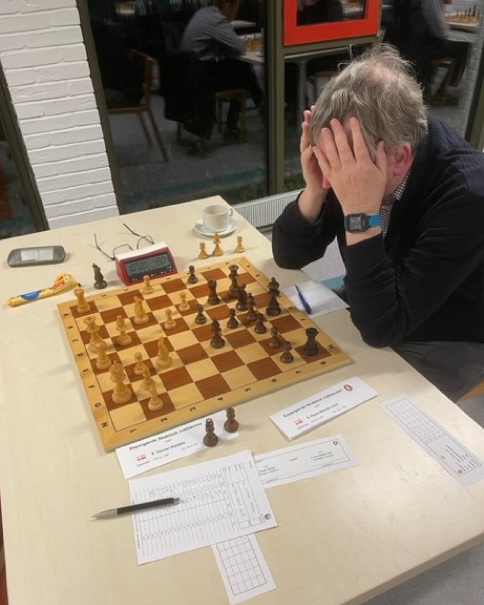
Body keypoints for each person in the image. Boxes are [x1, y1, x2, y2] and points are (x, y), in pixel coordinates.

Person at [271, 44, 484, 402]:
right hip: (379, 297)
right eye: (327, 159)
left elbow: (383, 327)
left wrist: (358, 210)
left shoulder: (469, 195)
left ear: (399, 158)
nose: (335, 174)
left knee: (346, 406)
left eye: (340, 164)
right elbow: (288, 256)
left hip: (449, 330)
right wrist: (315, 190)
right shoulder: (358, 156)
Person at [180, 0, 264, 142]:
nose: (236, 14)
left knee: (240, 67)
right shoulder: (217, 20)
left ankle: (261, 107)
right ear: (227, 6)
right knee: (242, 71)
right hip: (201, 78)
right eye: (236, 9)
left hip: (188, 72)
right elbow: (239, 47)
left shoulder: (203, 13)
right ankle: (245, 119)